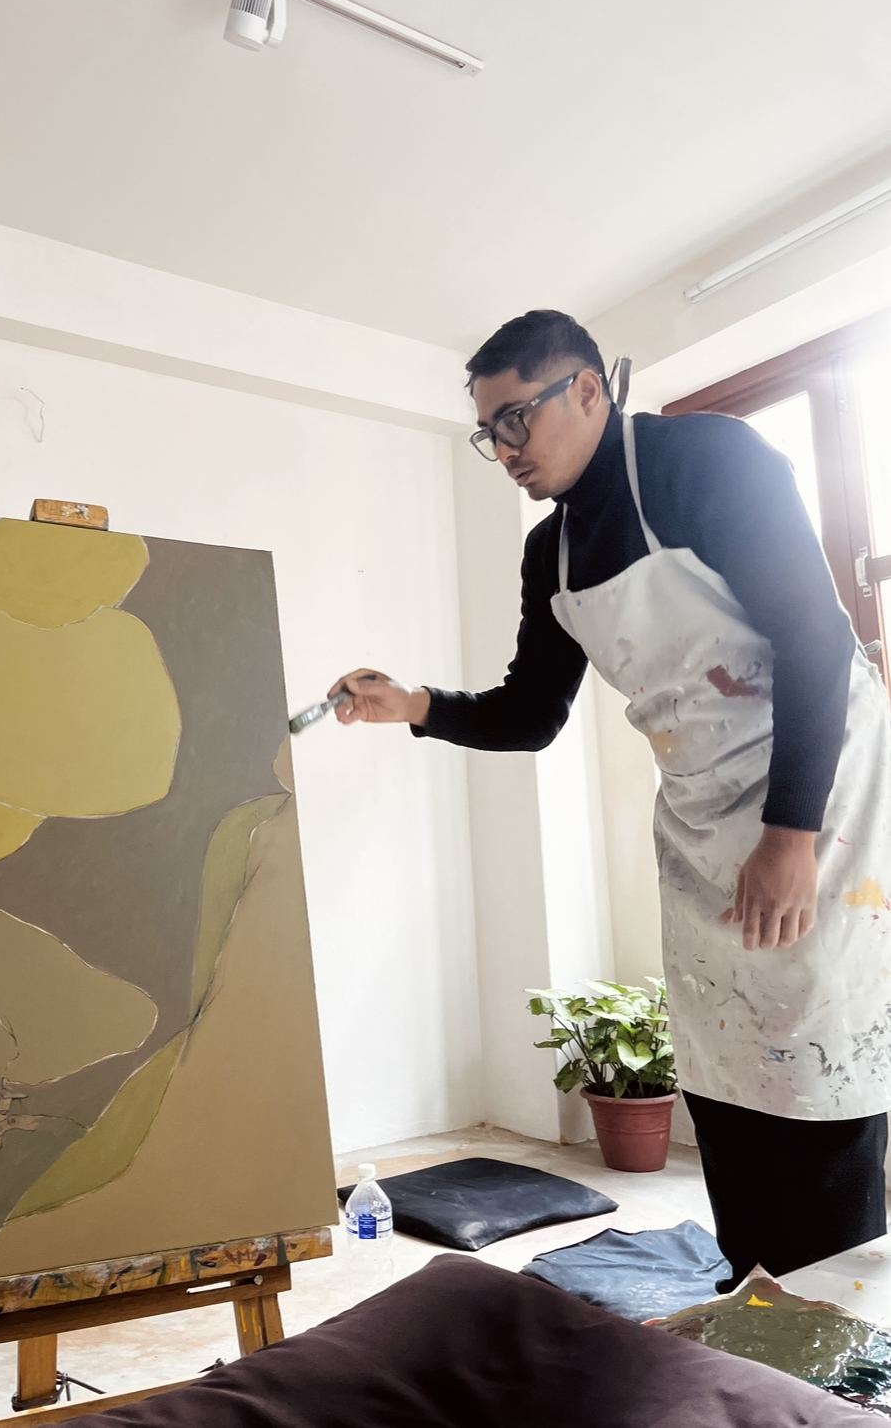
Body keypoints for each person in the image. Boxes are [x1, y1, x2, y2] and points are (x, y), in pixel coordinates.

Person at [331, 309, 891, 1287]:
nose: (505, 448)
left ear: (587, 388)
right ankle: (749, 1298)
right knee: (722, 1071)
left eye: (516, 418)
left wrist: (790, 835)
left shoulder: (707, 461)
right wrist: (413, 705)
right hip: (699, 811)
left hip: (822, 791)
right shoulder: (549, 553)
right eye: (488, 431)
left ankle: (835, 1320)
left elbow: (811, 634)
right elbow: (529, 713)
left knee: (816, 1066)